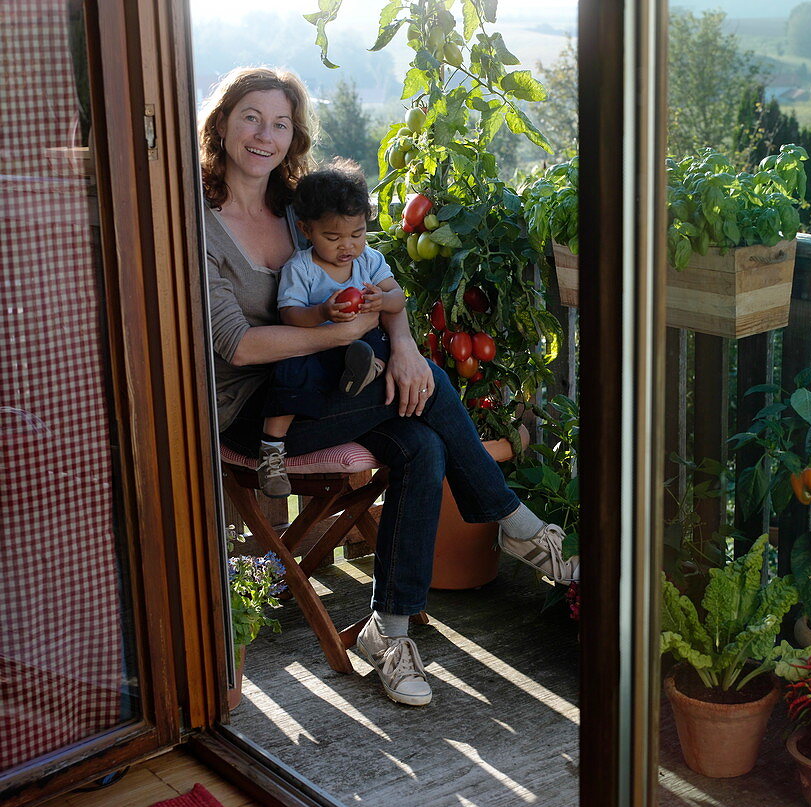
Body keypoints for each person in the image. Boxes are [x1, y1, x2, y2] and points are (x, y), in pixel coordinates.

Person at [200, 67, 579, 708]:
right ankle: (514, 523)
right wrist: (347, 336)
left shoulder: (303, 214)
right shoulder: (198, 226)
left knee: (422, 447)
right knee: (427, 389)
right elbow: (239, 345)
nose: (266, 134)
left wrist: (400, 343)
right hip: (252, 413)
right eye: (251, 118)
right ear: (222, 124)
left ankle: (390, 632)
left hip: (339, 389)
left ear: (295, 136)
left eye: (281, 122)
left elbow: (381, 291)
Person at [258, 161, 403, 498]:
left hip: (353, 352)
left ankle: (367, 368)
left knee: (373, 336)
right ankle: (271, 450)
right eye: (333, 237)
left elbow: (399, 298)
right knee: (290, 368)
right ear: (306, 230)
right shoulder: (301, 268)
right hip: (316, 350)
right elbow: (289, 315)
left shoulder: (368, 259)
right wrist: (322, 311)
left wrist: (381, 299)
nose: (347, 246)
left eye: (357, 234)